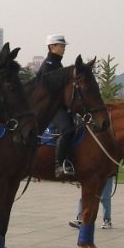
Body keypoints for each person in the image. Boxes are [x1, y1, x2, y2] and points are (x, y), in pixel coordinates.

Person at [37, 34, 76, 178]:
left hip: (61, 105)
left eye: (64, 46)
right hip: (51, 107)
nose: (64, 48)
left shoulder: (58, 64)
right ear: (52, 47)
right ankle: (59, 165)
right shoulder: (48, 66)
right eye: (61, 45)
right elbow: (49, 91)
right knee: (67, 129)